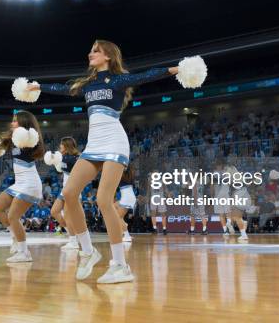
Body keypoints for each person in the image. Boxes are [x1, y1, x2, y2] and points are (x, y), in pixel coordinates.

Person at [25, 40, 202, 283]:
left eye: (95, 50)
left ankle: (120, 265)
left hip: (115, 143)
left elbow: (146, 76)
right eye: (90, 50)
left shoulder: (117, 80)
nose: (90, 53)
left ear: (108, 56)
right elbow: (62, 88)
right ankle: (88, 252)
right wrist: (37, 87)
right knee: (69, 193)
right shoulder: (87, 84)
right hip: (94, 145)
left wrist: (177, 69)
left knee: (103, 200)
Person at [0, 110, 45, 263]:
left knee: (13, 216)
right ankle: (15, 236)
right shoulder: (13, 139)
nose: (12, 123)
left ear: (24, 123)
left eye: (15, 121)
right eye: (12, 120)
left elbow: (35, 146)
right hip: (19, 183)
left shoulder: (29, 140)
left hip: (30, 183)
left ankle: (24, 252)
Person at [48, 136, 80, 251]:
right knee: (54, 211)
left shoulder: (73, 158)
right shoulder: (66, 158)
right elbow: (59, 168)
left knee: (67, 215)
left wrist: (55, 159)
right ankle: (73, 234)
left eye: (61, 144)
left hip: (72, 189)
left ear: (66, 146)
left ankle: (73, 240)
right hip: (65, 189)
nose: (59, 146)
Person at [113, 164, 137, 242]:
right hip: (129, 197)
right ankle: (124, 225)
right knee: (113, 206)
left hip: (127, 198)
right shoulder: (129, 176)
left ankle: (127, 236)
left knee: (118, 218)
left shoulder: (120, 175)